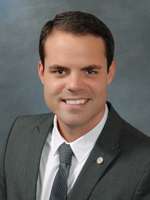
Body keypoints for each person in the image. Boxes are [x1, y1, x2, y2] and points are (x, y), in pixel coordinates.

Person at [0, 11, 150, 200]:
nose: (74, 86)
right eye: (60, 71)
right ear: (42, 72)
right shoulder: (20, 134)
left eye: (90, 71)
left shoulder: (145, 165)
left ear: (110, 73)